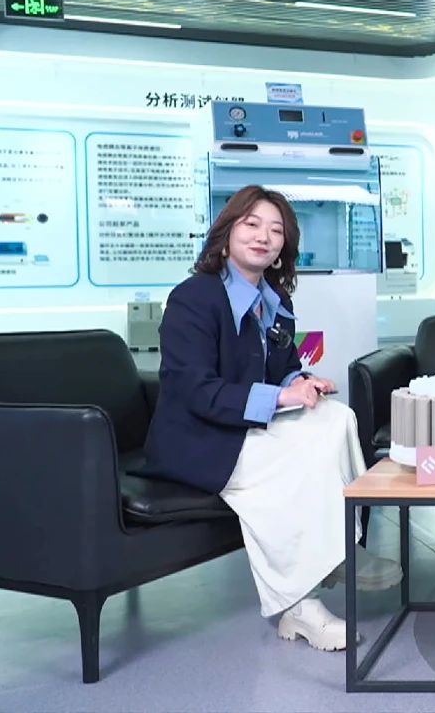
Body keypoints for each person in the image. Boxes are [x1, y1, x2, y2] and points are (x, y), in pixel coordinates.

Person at [145, 185, 401, 652]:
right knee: (292, 466)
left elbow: (282, 367)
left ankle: (341, 548)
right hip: (199, 439)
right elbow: (196, 390)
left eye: (276, 230)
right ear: (226, 233)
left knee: (336, 419)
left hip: (245, 426)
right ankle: (300, 606)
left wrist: (302, 381)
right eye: (252, 224)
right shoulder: (193, 298)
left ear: (285, 245)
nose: (263, 236)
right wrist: (283, 397)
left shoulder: (275, 299)